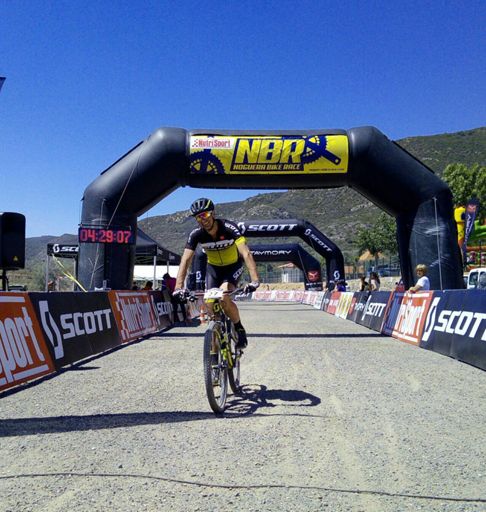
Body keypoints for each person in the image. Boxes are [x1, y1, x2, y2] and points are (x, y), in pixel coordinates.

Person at [173, 198, 260, 348]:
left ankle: (239, 328)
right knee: (208, 302)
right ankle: (218, 331)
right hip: (213, 269)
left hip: (232, 267)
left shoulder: (229, 228)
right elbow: (185, 260)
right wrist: (178, 287)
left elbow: (246, 253)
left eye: (205, 215)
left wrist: (255, 280)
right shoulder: (196, 234)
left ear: (213, 213)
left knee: (224, 296)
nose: (203, 219)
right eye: (198, 217)